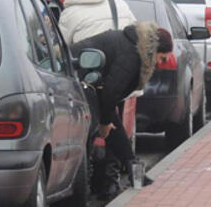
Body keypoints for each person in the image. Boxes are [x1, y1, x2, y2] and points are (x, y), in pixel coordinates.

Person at [58, 0, 138, 197]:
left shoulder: (70, 13)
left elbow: (62, 48)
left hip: (89, 79)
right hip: (120, 77)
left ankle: (87, 181)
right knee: (114, 123)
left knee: (90, 129)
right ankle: (110, 181)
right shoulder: (119, 3)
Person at [71, 23, 172, 187]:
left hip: (91, 81)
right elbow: (110, 92)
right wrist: (104, 122)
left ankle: (135, 171)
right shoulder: (132, 55)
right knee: (93, 129)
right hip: (79, 77)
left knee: (113, 124)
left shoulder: (135, 48)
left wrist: (108, 120)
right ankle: (80, 186)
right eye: (162, 58)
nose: (160, 64)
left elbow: (110, 95)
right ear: (155, 50)